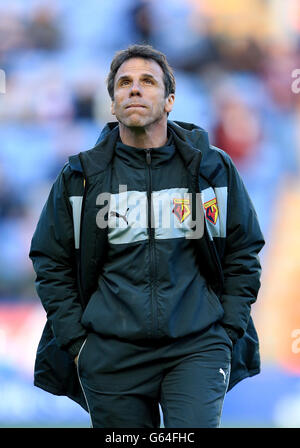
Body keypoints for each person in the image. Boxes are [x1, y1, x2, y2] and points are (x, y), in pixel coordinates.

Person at [29, 44, 265, 428]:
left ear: (170, 100)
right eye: (124, 83)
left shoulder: (212, 168)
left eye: (147, 82)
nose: (134, 89)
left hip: (197, 346)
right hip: (109, 352)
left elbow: (244, 250)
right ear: (112, 103)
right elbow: (49, 261)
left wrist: (228, 330)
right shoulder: (80, 178)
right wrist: (78, 343)